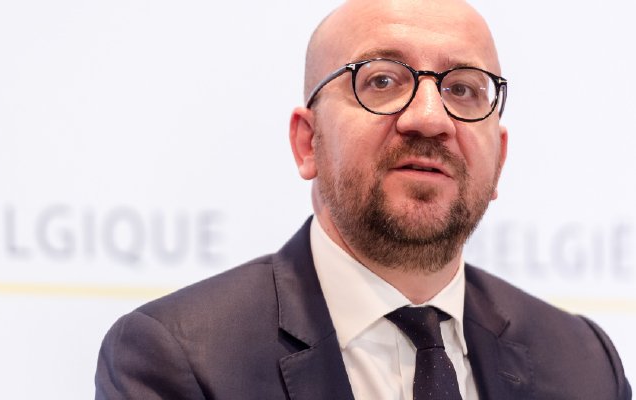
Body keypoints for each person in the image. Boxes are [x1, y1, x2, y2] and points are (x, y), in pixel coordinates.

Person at [95, 0, 631, 398]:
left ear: (500, 160)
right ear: (308, 142)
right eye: (381, 81)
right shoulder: (180, 359)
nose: (430, 118)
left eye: (463, 89)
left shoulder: (584, 365)